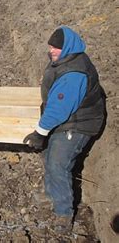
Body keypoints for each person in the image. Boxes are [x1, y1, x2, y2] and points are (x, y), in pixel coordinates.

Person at [23, 26, 106, 233]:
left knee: (58, 164)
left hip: (79, 123)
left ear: (67, 48)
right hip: (69, 116)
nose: (52, 51)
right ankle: (52, 193)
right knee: (48, 155)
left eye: (56, 49)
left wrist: (39, 133)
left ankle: (64, 212)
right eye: (50, 47)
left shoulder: (74, 74)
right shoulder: (66, 59)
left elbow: (59, 110)